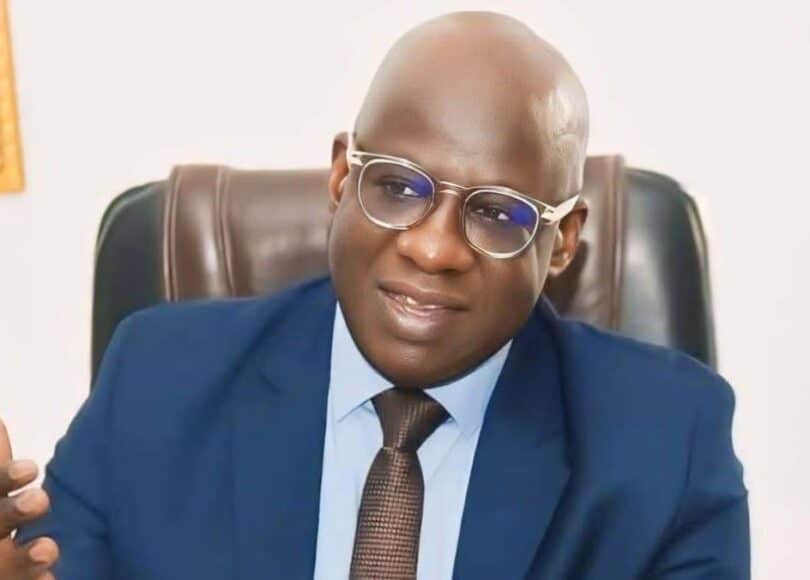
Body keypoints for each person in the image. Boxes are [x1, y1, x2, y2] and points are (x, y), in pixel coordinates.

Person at [0, 11, 749, 579]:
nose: (433, 248)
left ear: (562, 240)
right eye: (398, 187)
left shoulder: (669, 443)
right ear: (340, 179)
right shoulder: (156, 382)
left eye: (498, 214)